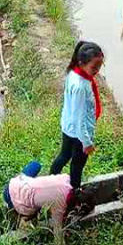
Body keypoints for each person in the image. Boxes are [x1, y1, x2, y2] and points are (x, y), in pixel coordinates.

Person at [50, 40, 104, 194]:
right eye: (94, 67)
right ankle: (75, 191)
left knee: (64, 155)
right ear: (81, 63)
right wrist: (86, 142)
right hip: (80, 133)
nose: (97, 71)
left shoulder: (73, 73)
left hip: (68, 127)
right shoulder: (81, 86)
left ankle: (51, 180)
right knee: (78, 164)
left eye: (99, 67)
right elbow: (79, 119)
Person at [4, 160, 73, 245]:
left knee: (36, 165)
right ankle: (23, 215)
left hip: (16, 182)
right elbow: (58, 230)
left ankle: (24, 185)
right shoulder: (60, 202)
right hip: (15, 199)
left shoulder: (67, 178)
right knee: (32, 205)